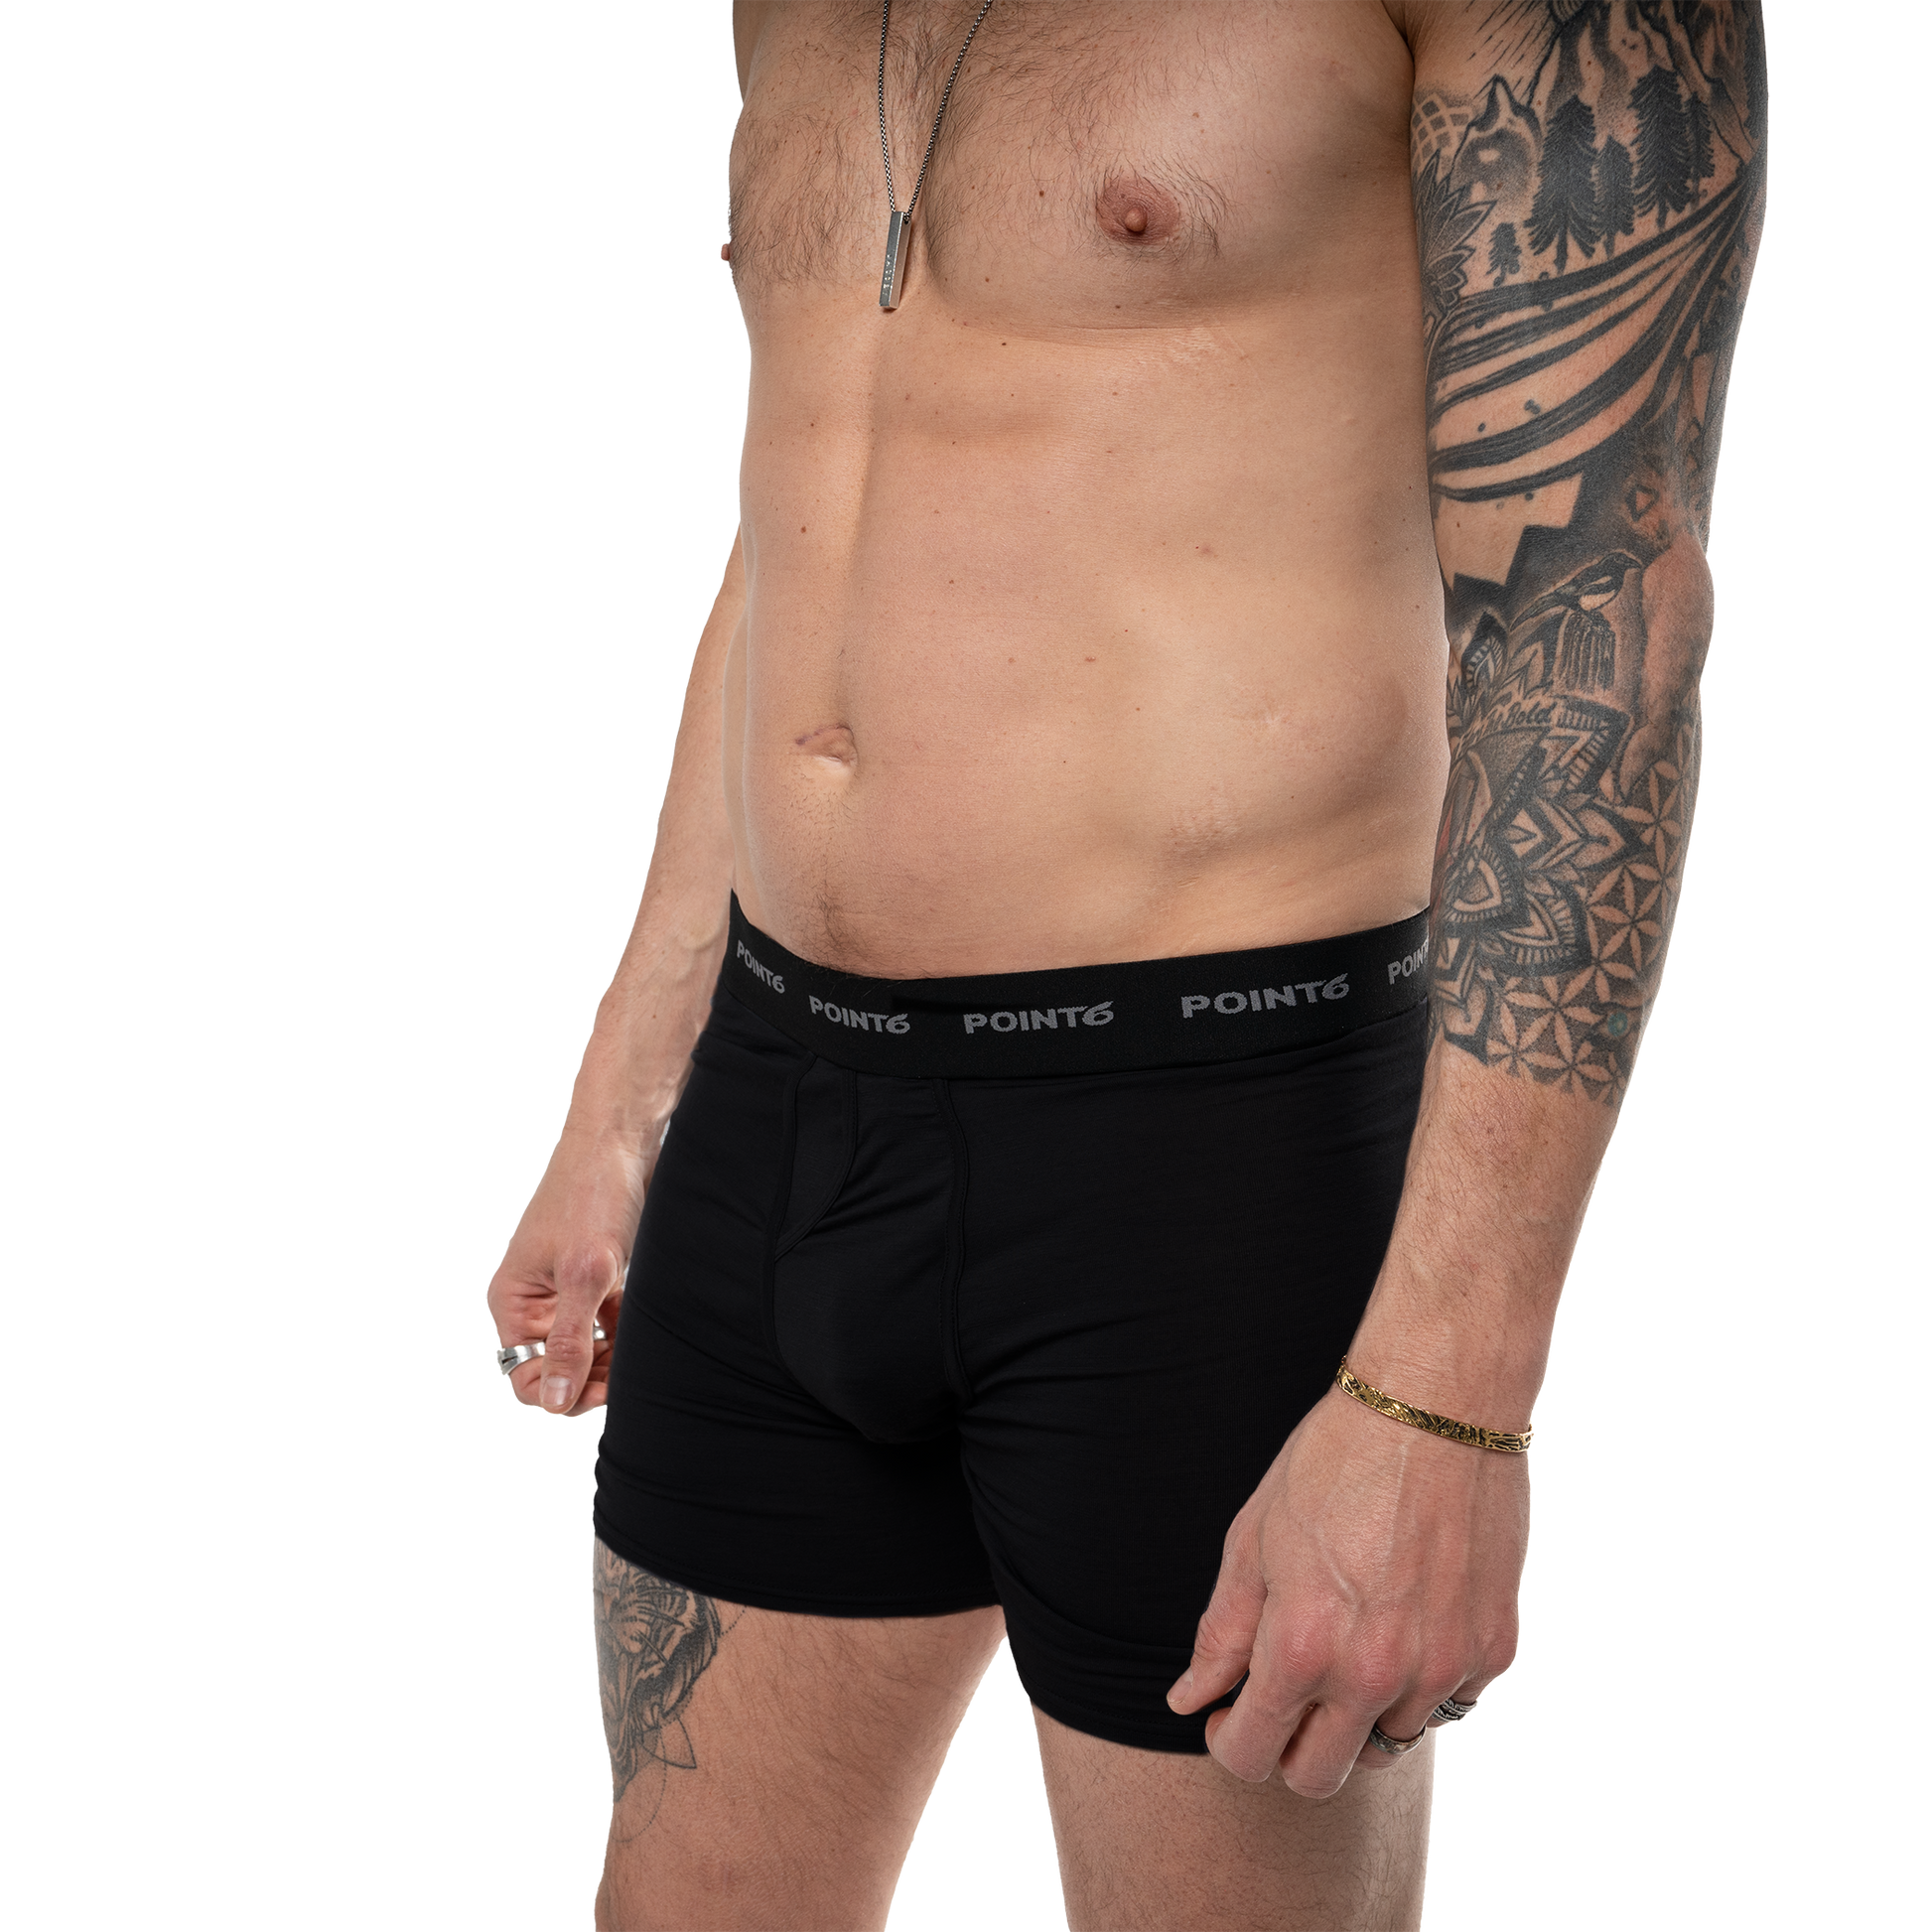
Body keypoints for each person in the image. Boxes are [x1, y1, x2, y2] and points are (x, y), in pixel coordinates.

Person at [484, 3, 1768, 1925]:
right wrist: (618, 1096)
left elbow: (1598, 616)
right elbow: (809, 513)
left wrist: (1448, 1401)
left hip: (1210, 1143)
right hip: (779, 1107)